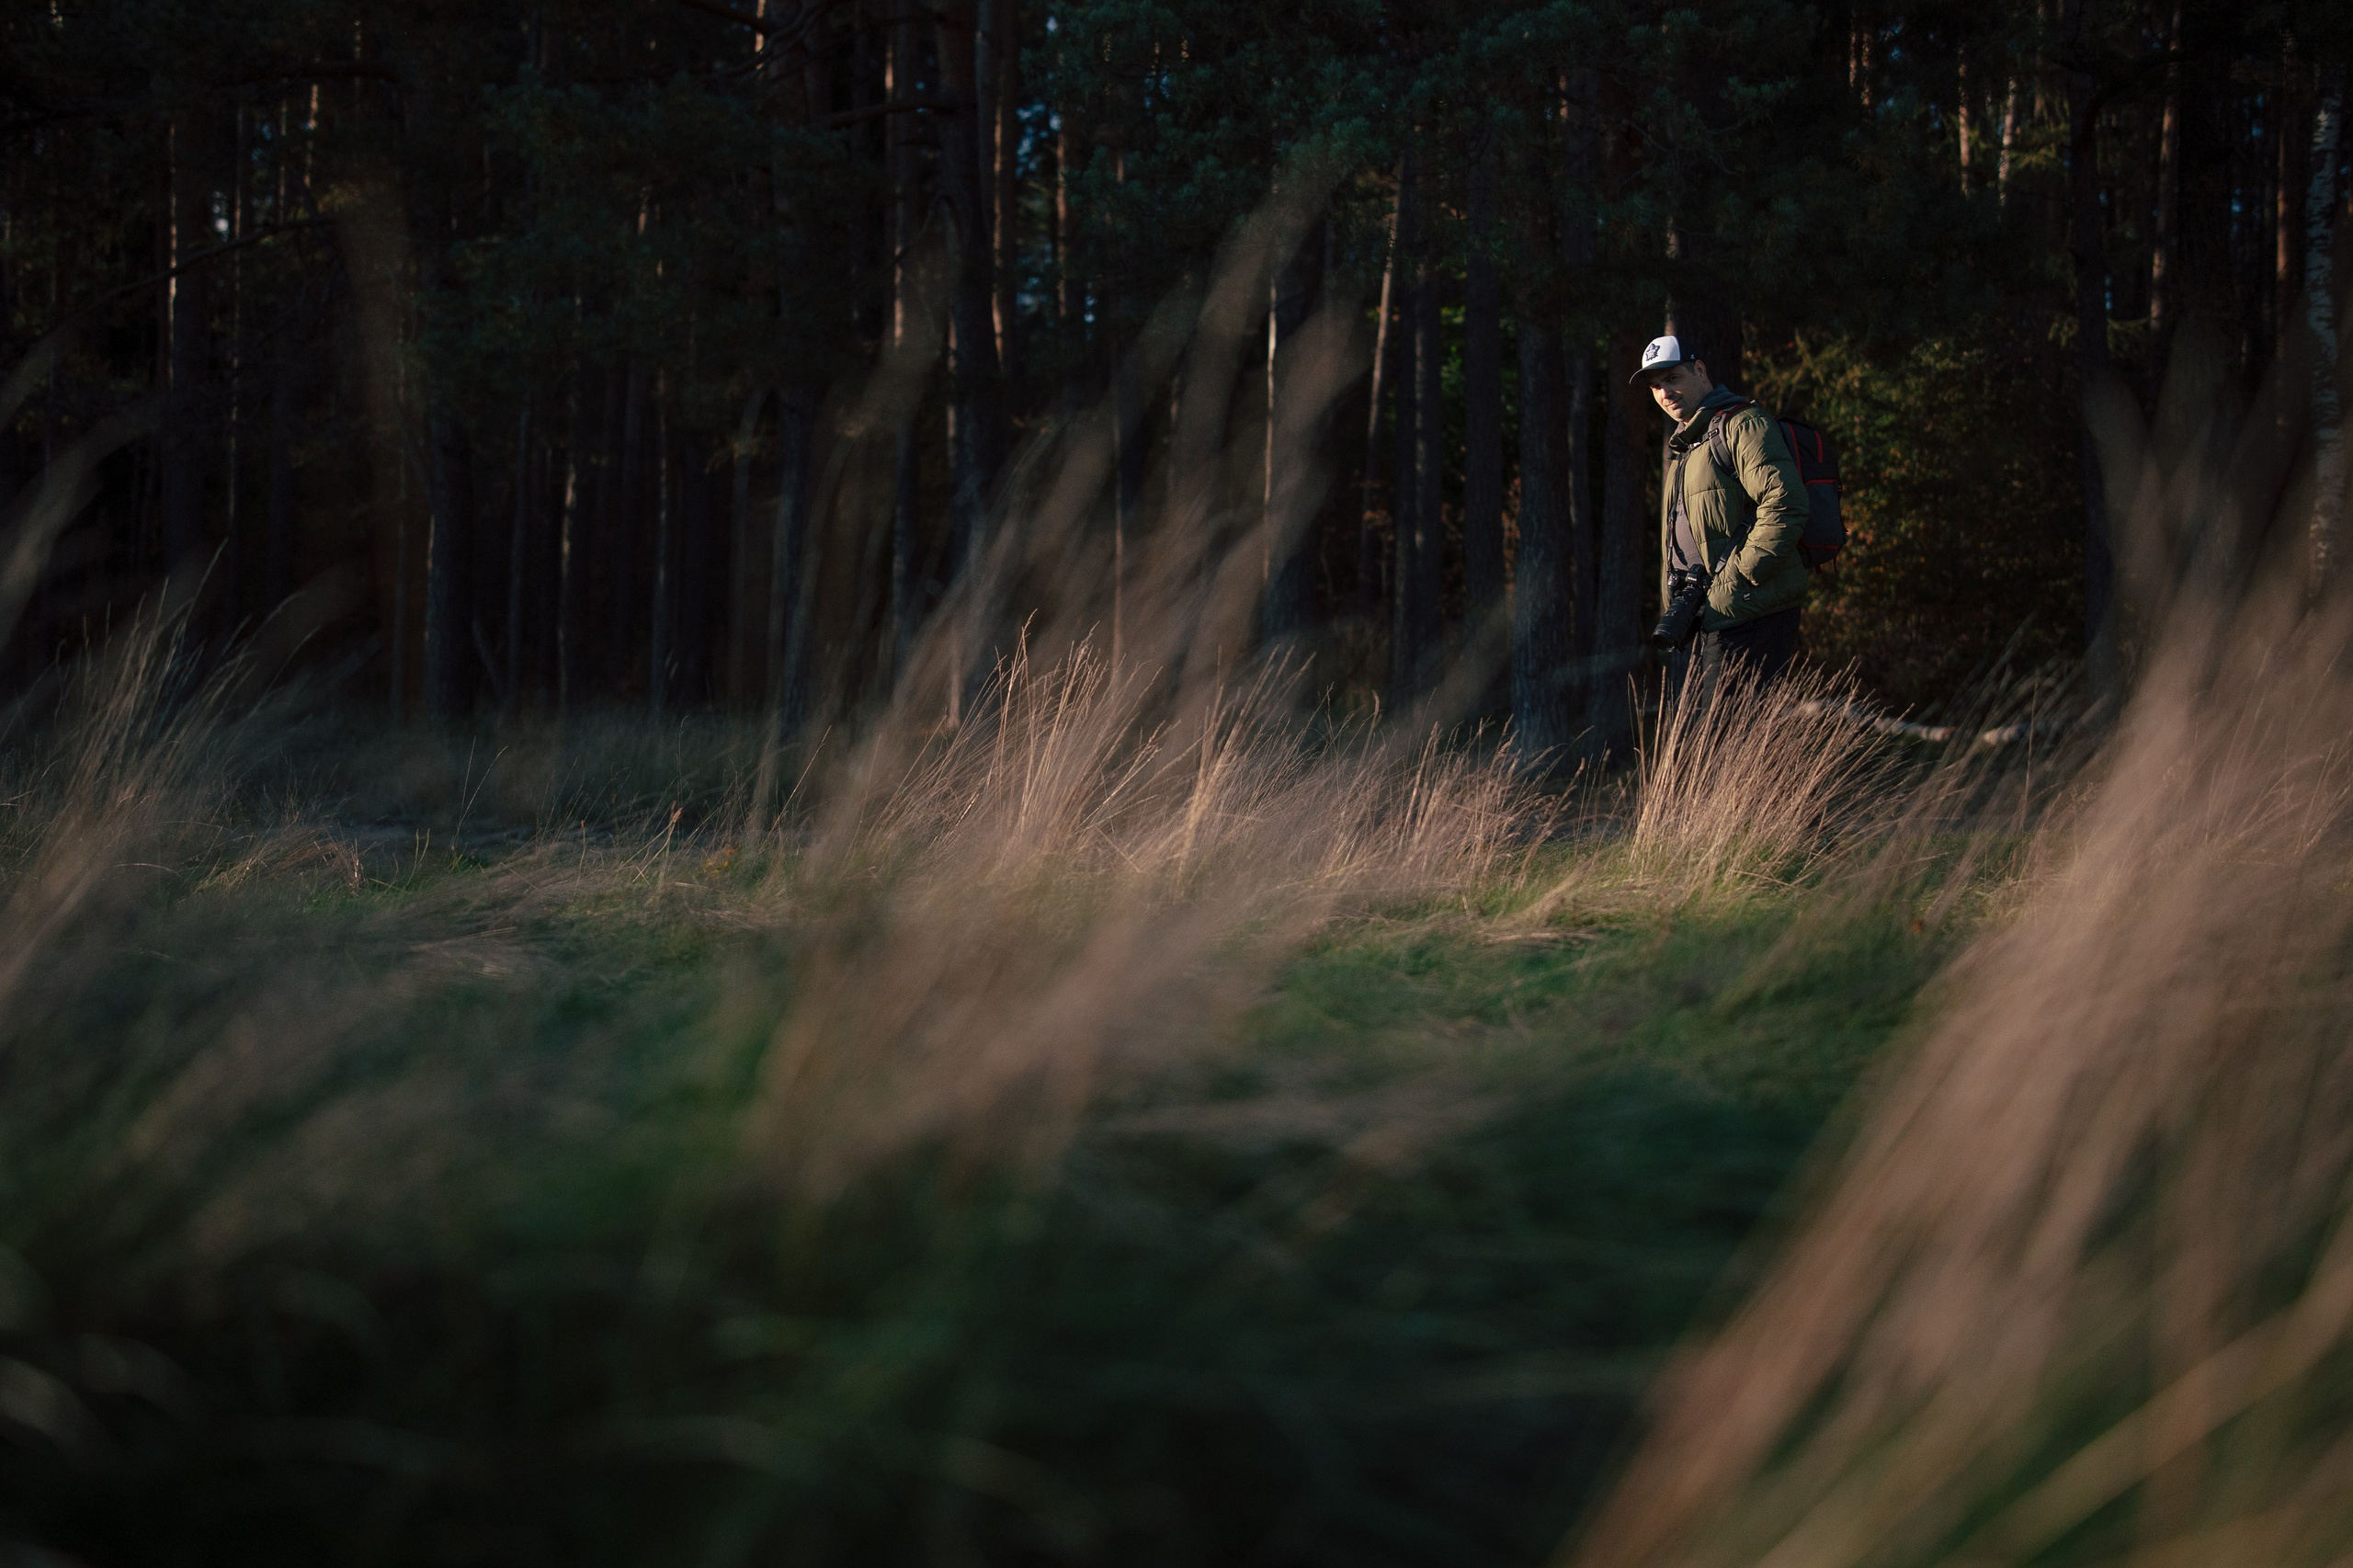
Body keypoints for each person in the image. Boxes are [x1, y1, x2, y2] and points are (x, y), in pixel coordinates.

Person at [1633, 334, 1811, 688]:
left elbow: (1785, 504)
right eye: (1656, 386)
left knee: (1722, 735)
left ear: (1699, 370)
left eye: (1673, 378)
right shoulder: (1689, 444)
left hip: (1748, 610)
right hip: (1710, 616)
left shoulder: (1742, 424)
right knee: (1708, 738)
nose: (1665, 393)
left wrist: (1734, 582)